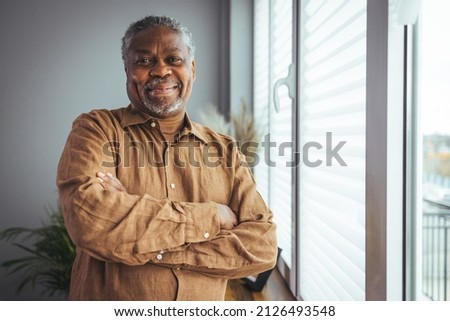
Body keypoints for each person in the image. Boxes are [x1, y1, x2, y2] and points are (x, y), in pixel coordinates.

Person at [57, 15, 277, 301]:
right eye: (144, 61)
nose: (161, 70)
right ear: (127, 69)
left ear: (192, 69)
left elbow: (262, 247)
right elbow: (89, 222)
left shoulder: (225, 150)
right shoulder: (95, 129)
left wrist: (146, 244)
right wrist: (213, 217)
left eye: (173, 59)